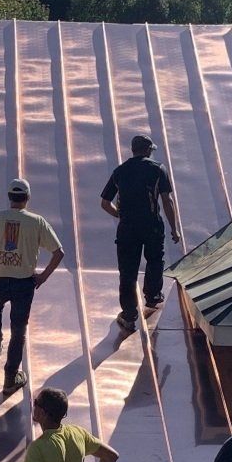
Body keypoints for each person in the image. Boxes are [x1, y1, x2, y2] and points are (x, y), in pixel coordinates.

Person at [0, 178, 64, 394]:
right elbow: (59, 253)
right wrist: (43, 277)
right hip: (24, 283)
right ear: (28, 198)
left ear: (10, 197)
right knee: (18, 330)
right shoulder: (37, 221)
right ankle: (10, 378)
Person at [99, 134, 182, 332]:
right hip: (152, 224)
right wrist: (174, 228)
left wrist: (119, 215)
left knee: (127, 271)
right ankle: (153, 297)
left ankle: (129, 316)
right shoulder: (157, 169)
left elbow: (104, 202)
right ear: (147, 150)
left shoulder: (120, 171)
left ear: (133, 150)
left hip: (127, 227)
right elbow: (166, 200)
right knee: (154, 260)